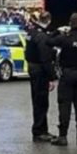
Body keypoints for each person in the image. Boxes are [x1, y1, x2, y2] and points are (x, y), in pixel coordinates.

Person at [48, 13, 77, 146]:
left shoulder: (65, 38)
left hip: (67, 74)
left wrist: (57, 31)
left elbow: (48, 41)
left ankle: (63, 136)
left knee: (65, 105)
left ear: (71, 24)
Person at [25, 12, 57, 143]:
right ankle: (39, 131)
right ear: (48, 21)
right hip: (40, 70)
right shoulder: (42, 36)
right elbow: (45, 58)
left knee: (37, 100)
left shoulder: (31, 32)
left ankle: (42, 129)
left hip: (32, 68)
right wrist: (52, 77)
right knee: (41, 102)